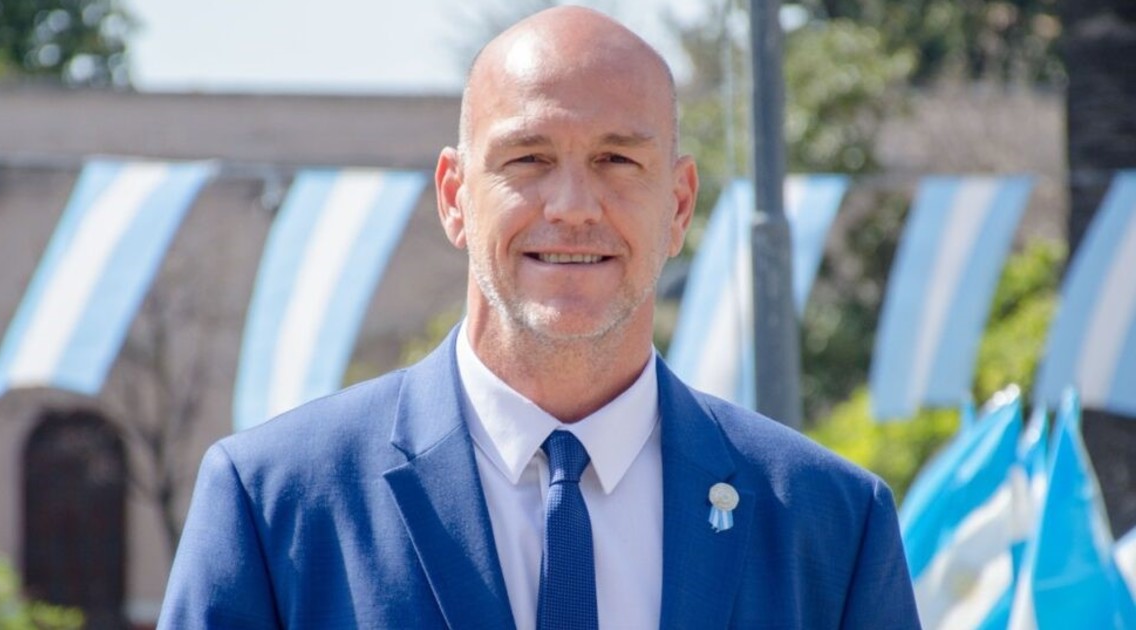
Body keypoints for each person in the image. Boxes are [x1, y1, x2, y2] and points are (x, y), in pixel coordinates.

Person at [159, 6, 920, 629]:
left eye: (618, 160)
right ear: (455, 197)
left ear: (679, 204)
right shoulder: (276, 505)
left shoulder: (831, 526)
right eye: (527, 159)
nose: (574, 207)